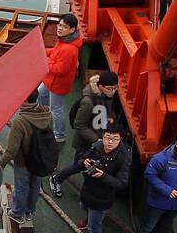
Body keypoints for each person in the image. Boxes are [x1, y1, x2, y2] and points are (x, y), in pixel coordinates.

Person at [52, 126, 130, 233]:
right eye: (107, 138)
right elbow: (82, 159)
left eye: (114, 139)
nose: (110, 142)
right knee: (84, 207)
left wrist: (103, 175)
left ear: (120, 140)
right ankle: (87, 221)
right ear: (103, 137)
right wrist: (85, 162)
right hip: (88, 190)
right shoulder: (97, 146)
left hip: (102, 199)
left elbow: (121, 183)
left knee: (95, 229)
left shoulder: (123, 158)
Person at [51, 70, 123, 199]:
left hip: (100, 141)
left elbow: (105, 111)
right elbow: (79, 125)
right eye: (109, 88)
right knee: (78, 165)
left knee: (91, 167)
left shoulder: (107, 97)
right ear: (100, 87)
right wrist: (98, 140)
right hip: (86, 143)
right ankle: (56, 179)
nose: (112, 91)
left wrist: (109, 118)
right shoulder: (88, 102)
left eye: (115, 88)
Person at [0, 89, 57, 225]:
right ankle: (29, 211)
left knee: (21, 186)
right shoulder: (48, 113)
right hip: (41, 159)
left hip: (23, 161)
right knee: (35, 185)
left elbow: (11, 150)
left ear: (24, 100)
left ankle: (17, 213)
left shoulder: (20, 122)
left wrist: (0, 165)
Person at [39, 12, 82, 145]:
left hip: (58, 84)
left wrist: (44, 60)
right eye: (59, 25)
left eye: (64, 26)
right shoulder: (64, 41)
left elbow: (60, 70)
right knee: (41, 92)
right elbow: (54, 53)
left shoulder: (69, 49)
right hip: (50, 80)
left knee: (56, 109)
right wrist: (43, 50)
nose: (59, 28)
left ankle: (59, 135)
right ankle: (43, 117)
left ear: (72, 29)